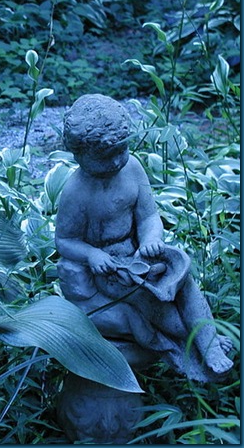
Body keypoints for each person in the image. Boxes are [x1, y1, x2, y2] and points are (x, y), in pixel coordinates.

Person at [54, 94, 232, 381]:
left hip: (142, 254)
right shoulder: (76, 192)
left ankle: (209, 344)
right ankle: (191, 342)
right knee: (150, 298)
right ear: (79, 154)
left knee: (184, 282)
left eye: (121, 151)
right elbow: (64, 241)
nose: (116, 162)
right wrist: (93, 254)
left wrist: (150, 239)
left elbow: (149, 216)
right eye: (104, 157)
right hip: (112, 270)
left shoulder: (133, 168)